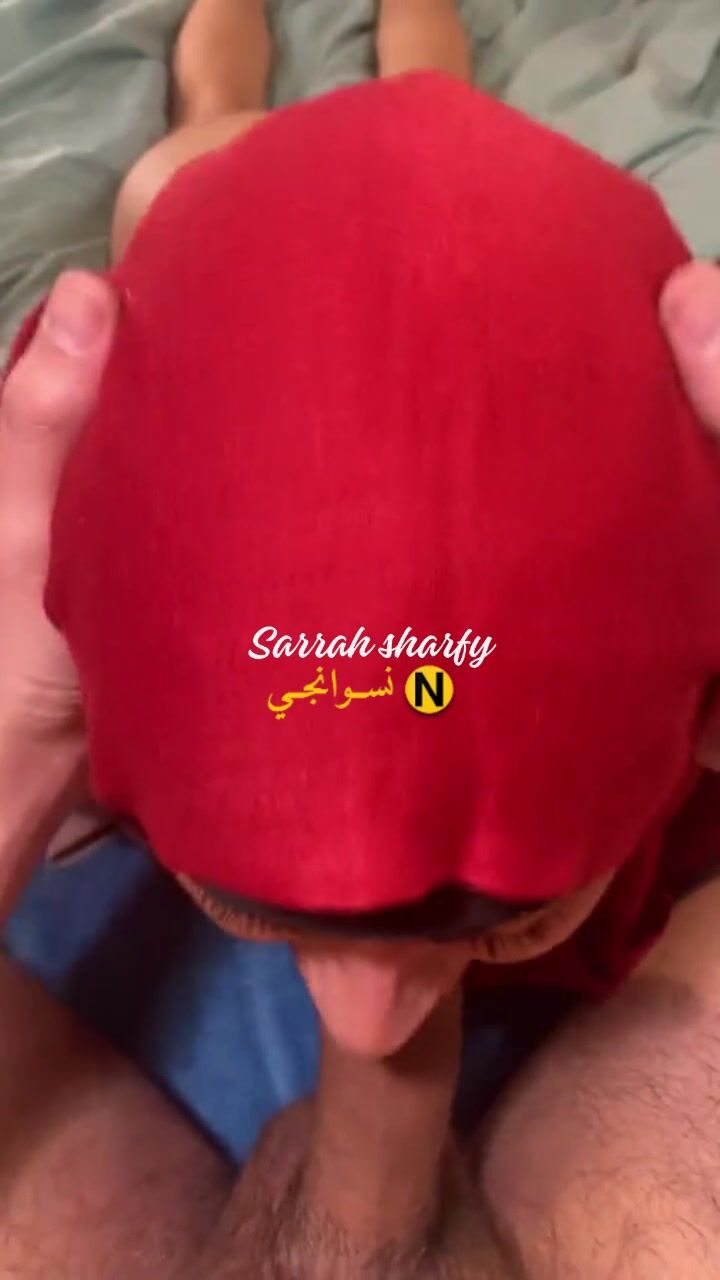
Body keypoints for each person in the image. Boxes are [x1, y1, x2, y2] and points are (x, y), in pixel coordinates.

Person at [1, 9, 720, 1280]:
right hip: (257, 227)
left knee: (423, 99)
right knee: (201, 136)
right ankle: (235, 46)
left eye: (509, 920)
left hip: (482, 228)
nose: (366, 1024)